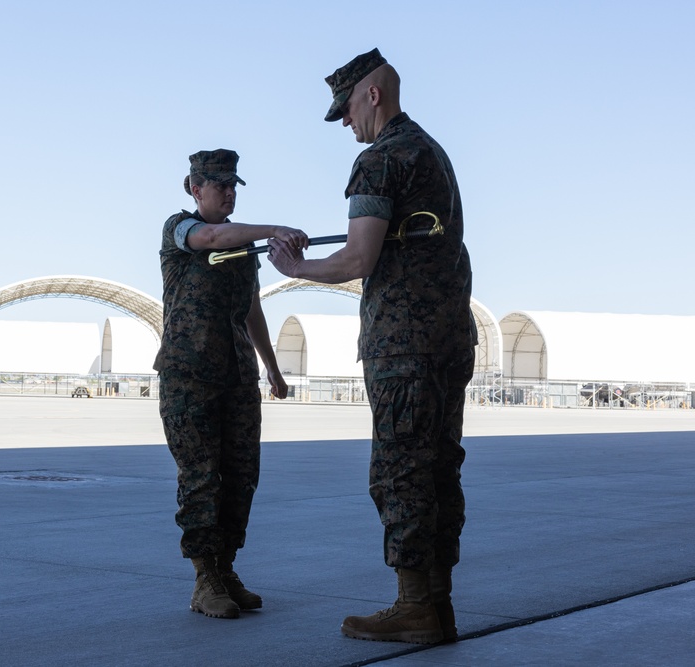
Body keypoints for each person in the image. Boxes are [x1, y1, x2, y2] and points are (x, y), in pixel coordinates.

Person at [268, 49, 477, 644]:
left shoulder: (380, 160)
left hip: (402, 343)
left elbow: (360, 258)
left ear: (372, 96)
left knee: (401, 470)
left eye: (346, 109)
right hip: (446, 336)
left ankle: (414, 607)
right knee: (438, 467)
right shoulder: (432, 153)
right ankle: (437, 604)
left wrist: (297, 266)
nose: (344, 123)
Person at [154, 149, 308, 619]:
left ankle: (225, 568)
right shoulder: (180, 229)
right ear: (194, 188)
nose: (227, 191)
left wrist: (273, 368)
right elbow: (211, 236)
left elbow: (252, 308)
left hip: (237, 375)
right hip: (190, 374)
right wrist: (274, 230)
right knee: (201, 476)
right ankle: (205, 579)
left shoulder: (244, 250)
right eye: (218, 184)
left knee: (241, 477)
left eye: (233, 184)